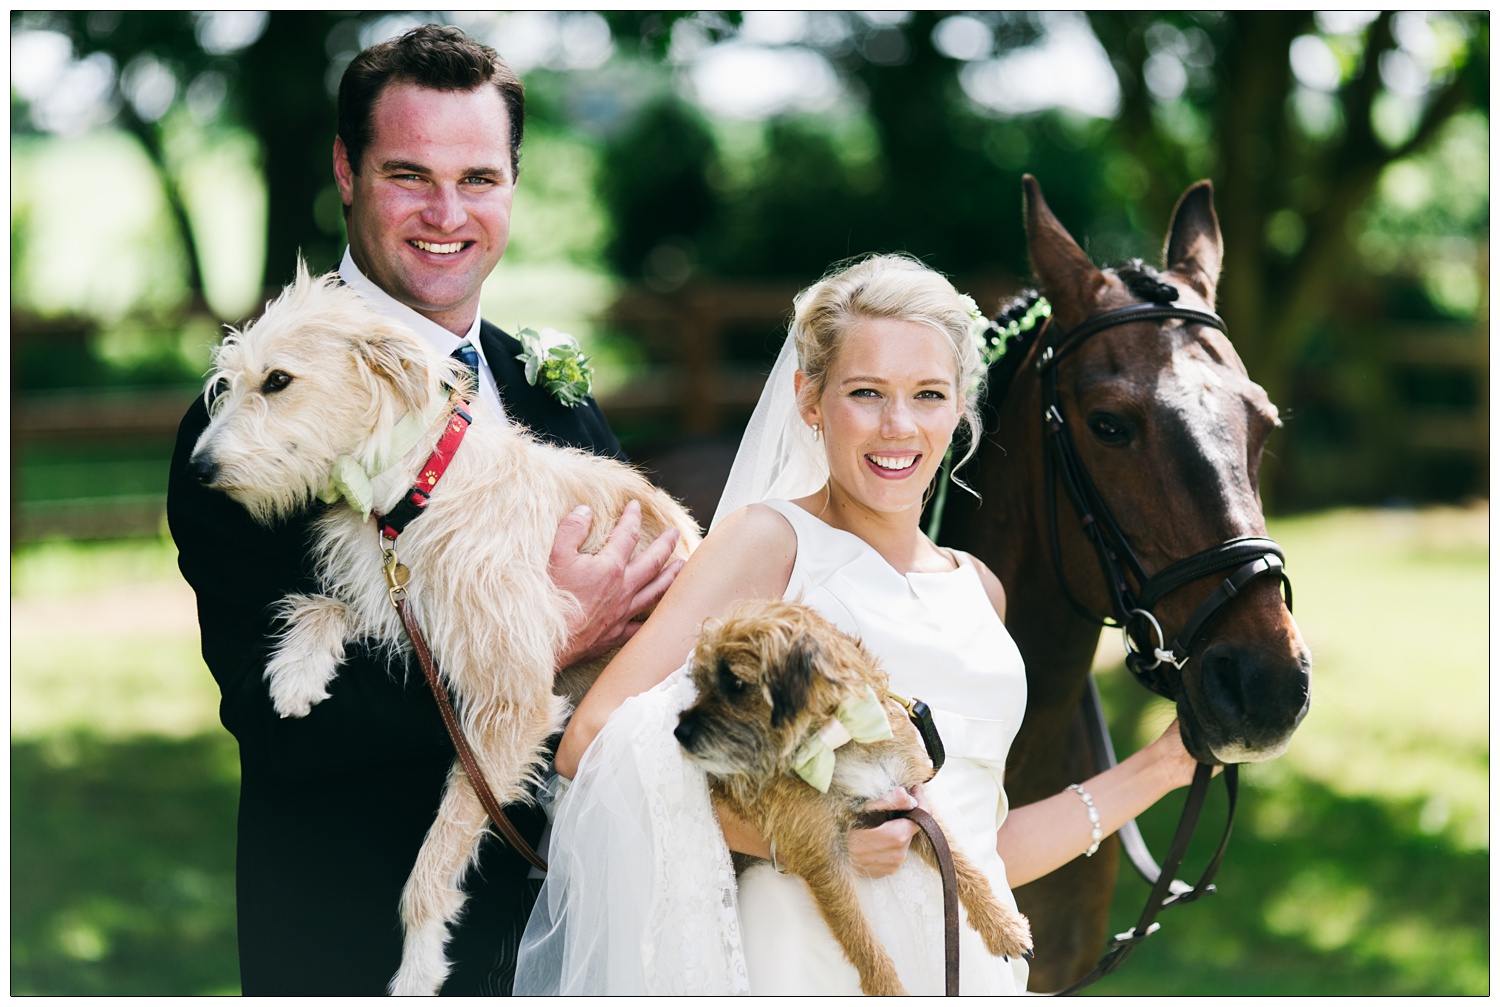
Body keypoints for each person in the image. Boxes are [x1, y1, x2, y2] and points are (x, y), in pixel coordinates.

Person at [515, 254, 1205, 994]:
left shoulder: (981, 591)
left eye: (928, 393)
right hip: (804, 959)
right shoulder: (769, 541)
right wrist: (800, 838)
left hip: (964, 968)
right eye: (866, 392)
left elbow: (975, 843)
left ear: (961, 405)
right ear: (810, 400)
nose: (898, 425)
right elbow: (587, 746)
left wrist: (1166, 763)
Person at [166, 25, 682, 995]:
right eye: (410, 174)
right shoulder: (247, 422)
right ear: (346, 172)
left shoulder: (547, 388)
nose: (447, 213)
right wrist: (547, 638)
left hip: (577, 932)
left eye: (480, 178)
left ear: (515, 186)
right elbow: (287, 727)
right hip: (359, 937)